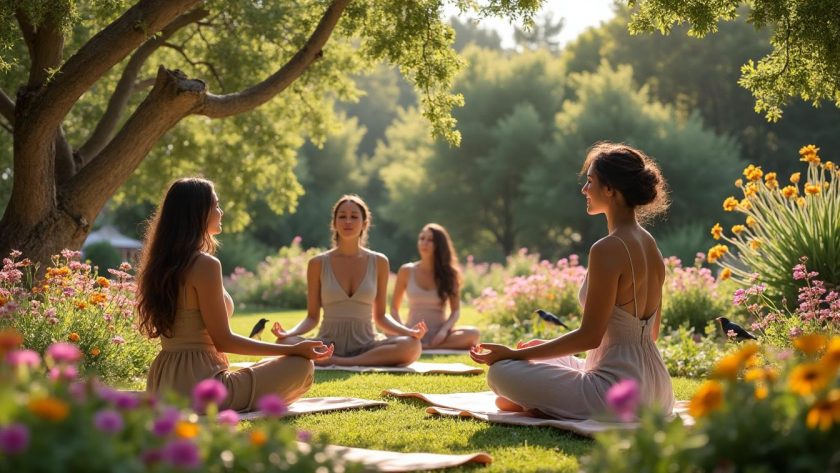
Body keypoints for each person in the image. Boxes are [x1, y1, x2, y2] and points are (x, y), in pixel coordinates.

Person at [470, 142, 675, 420]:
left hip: (617, 395)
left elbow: (590, 337)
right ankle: (541, 403)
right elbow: (651, 334)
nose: (584, 190)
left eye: (590, 182)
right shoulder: (650, 245)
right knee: (535, 350)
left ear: (610, 189)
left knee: (501, 371)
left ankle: (541, 404)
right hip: (658, 391)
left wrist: (513, 355)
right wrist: (539, 354)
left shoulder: (607, 248)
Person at [140, 178, 333, 411]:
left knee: (275, 363)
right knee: (301, 367)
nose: (221, 212)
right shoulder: (204, 264)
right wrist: (292, 348)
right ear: (199, 211)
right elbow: (224, 341)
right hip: (202, 388)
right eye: (216, 205)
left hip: (164, 381)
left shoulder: (162, 263)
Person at [272, 195, 426, 366]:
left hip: (368, 344)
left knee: (412, 346)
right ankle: (339, 359)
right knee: (284, 343)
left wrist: (408, 331)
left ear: (365, 223)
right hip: (327, 344)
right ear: (334, 223)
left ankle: (342, 361)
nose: (348, 221)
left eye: (354, 217)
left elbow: (381, 316)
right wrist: (288, 333)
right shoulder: (317, 263)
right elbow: (312, 318)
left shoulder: (379, 261)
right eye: (342, 216)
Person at [390, 223, 480, 349]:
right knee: (387, 331)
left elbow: (455, 311)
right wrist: (404, 331)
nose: (424, 243)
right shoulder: (406, 270)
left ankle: (427, 347)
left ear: (439, 245)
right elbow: (394, 308)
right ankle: (418, 344)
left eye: (430, 240)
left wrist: (443, 331)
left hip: (439, 335)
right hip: (412, 332)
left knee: (472, 333)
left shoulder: (450, 274)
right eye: (422, 238)